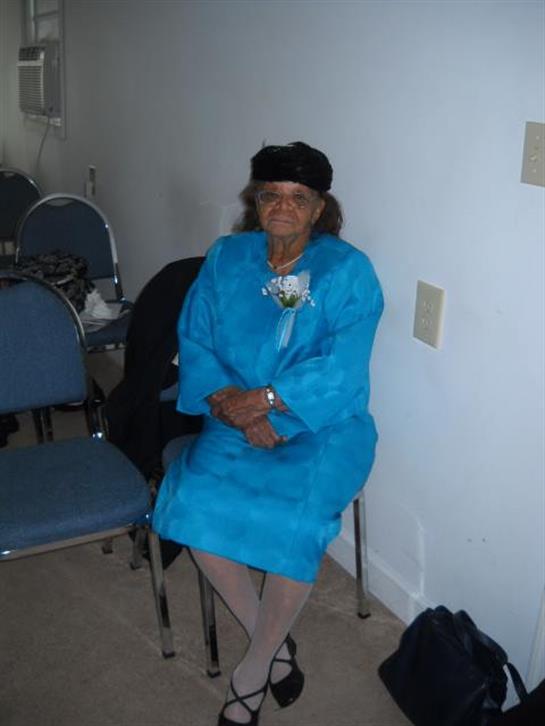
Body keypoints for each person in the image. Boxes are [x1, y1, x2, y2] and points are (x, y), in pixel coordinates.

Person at [153, 141, 384, 726]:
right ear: (254, 201)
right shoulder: (226, 257)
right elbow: (194, 338)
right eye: (270, 195)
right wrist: (234, 406)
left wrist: (269, 405)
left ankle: (252, 673)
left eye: (297, 197)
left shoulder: (348, 271)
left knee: (295, 525)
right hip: (232, 415)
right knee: (191, 504)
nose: (282, 207)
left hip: (325, 426)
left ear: (319, 207)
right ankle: (274, 645)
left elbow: (342, 369)